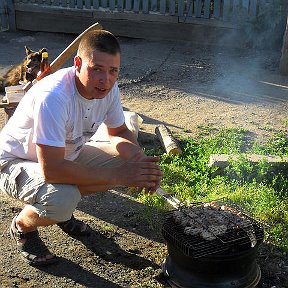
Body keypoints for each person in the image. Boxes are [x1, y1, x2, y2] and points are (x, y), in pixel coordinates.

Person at [0, 30, 162, 266]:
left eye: (112, 71)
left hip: (63, 157)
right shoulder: (54, 97)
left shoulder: (108, 90)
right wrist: (121, 176)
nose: (105, 80)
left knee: (126, 163)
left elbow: (119, 132)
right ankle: (23, 226)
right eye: (96, 68)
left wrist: (140, 163)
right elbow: (53, 170)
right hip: (15, 163)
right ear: (78, 63)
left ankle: (60, 214)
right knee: (62, 197)